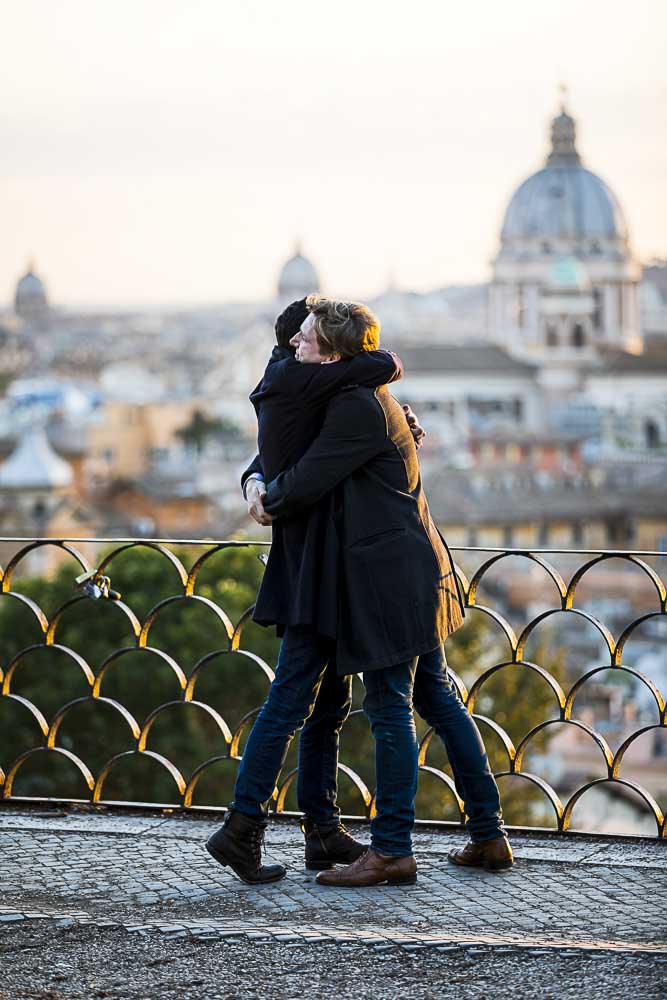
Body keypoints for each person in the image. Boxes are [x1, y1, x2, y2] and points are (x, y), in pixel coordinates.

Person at [256, 299, 513, 886]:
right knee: (440, 700)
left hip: (388, 582)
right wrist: (258, 476)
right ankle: (489, 833)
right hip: (414, 571)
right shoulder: (370, 397)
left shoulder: (352, 406)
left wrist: (264, 496)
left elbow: (302, 478)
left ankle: (394, 847)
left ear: (335, 355)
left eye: (306, 341)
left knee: (391, 706)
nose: (295, 347)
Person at [206, 297, 411, 884]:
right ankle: (242, 827)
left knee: (325, 705)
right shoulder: (308, 382)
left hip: (324, 568)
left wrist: (257, 481)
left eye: (304, 337)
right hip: (316, 569)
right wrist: (266, 490)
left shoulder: (301, 386)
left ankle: (321, 832)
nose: (297, 346)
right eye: (296, 338)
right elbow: (372, 365)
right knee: (293, 700)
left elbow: (280, 450)